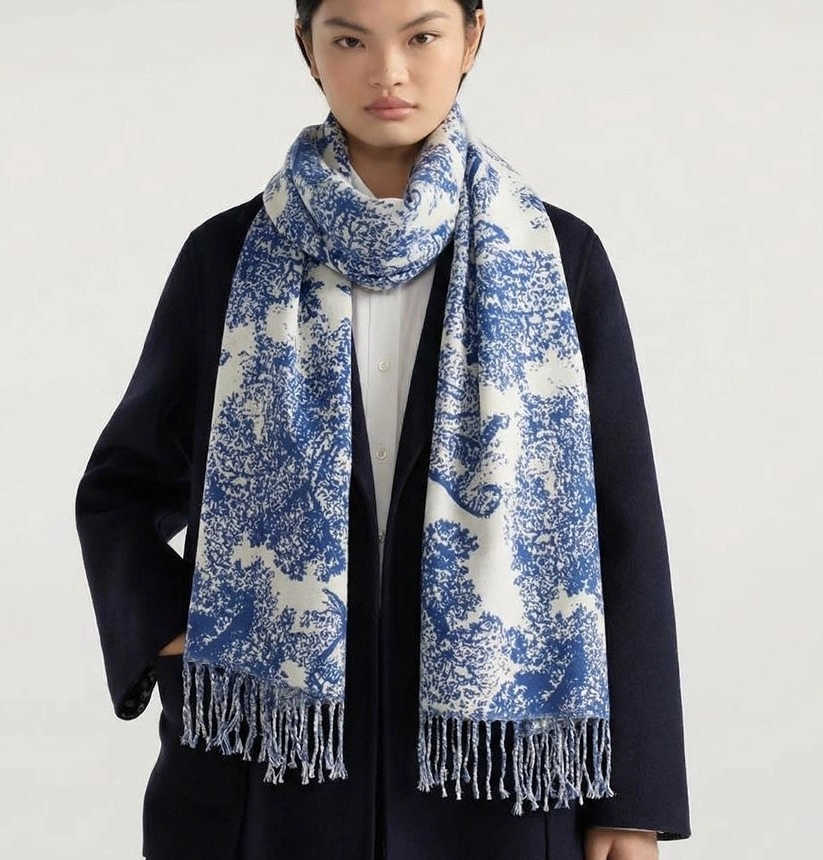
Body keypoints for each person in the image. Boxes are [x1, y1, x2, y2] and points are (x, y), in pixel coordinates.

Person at [74, 1, 691, 858]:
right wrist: (177, 641)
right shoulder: (226, 256)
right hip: (267, 775)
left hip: (497, 785)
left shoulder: (558, 258)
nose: (388, 71)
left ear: (473, 38)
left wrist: (632, 800)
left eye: (422, 35)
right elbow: (121, 489)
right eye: (350, 39)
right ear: (307, 46)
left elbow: (622, 528)